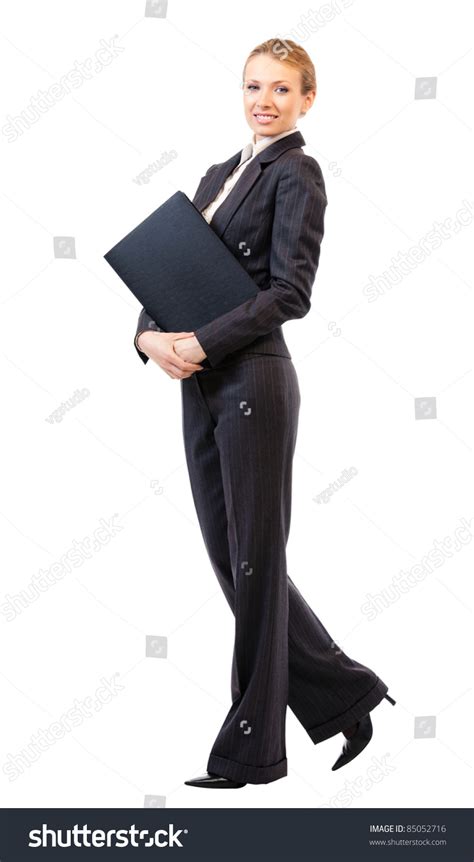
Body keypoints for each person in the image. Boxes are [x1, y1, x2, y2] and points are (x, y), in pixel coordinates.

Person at [134, 38, 395, 789]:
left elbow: (291, 292)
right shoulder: (219, 174)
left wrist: (197, 341)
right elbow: (169, 267)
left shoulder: (298, 173)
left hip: (254, 379)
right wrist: (149, 338)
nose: (264, 101)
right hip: (198, 381)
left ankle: (250, 751)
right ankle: (346, 693)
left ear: (307, 100)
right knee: (233, 558)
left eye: (282, 90)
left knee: (254, 561)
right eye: (254, 86)